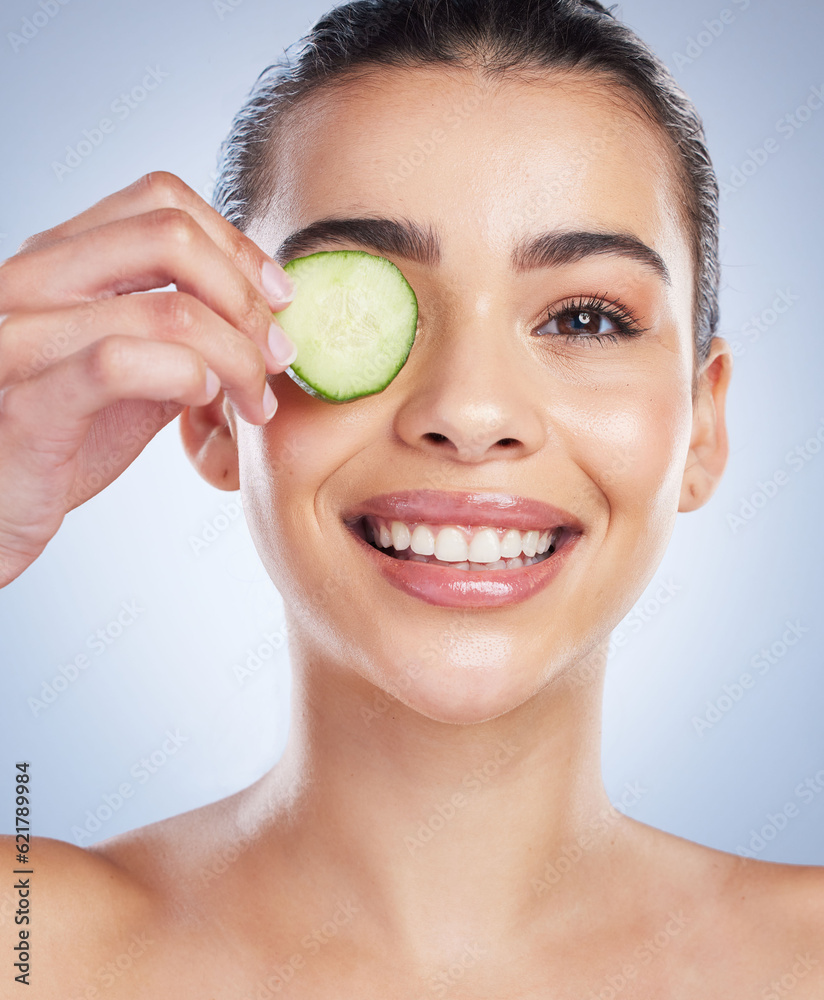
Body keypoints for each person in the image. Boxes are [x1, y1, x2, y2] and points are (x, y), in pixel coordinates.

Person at [1, 0, 822, 995]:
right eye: (360, 298)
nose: (468, 411)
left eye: (586, 317)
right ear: (212, 406)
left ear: (701, 426)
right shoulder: (33, 944)